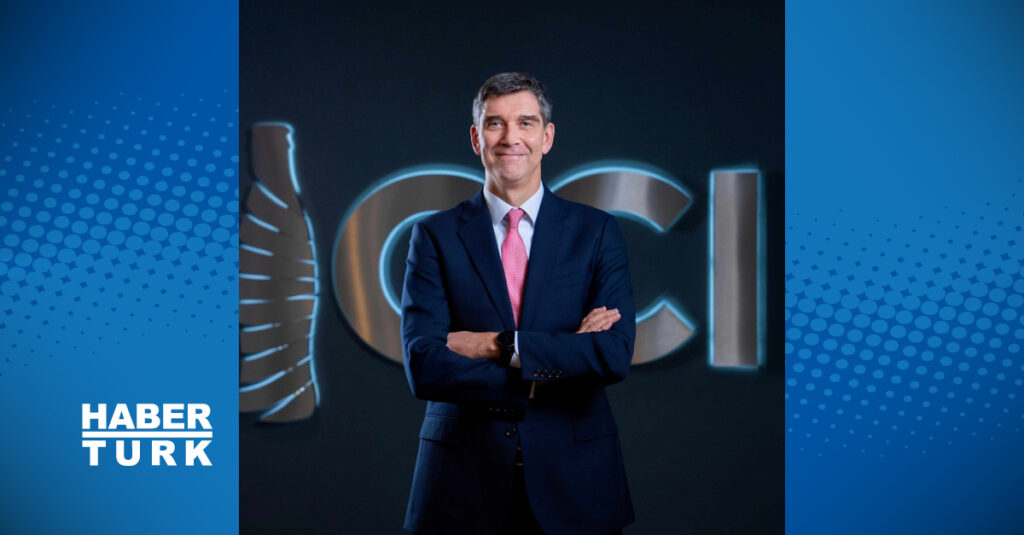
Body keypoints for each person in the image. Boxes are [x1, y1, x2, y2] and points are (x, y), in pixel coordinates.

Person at [401, 72, 635, 535]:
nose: (511, 138)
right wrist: (555, 363)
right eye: (495, 124)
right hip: (461, 484)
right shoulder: (433, 236)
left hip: (578, 484)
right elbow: (424, 365)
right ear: (476, 138)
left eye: (526, 122)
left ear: (547, 137)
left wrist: (498, 346)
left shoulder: (596, 232)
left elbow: (612, 354)